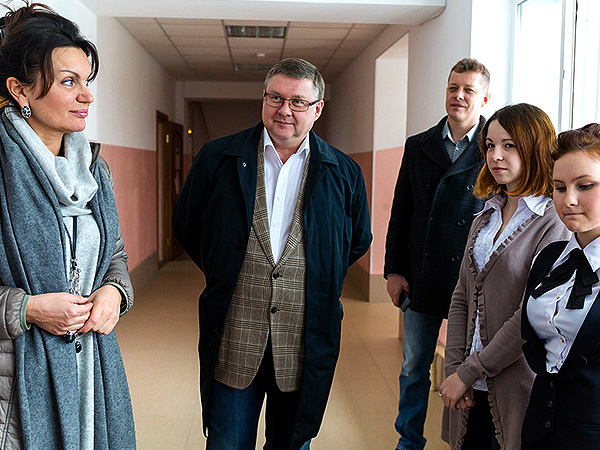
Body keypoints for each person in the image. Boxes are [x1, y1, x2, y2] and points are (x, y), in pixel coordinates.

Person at [172, 58, 371, 450]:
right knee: (228, 443)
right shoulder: (218, 158)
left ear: (317, 109)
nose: (284, 110)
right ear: (263, 99)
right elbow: (187, 225)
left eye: (298, 102)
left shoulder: (343, 172)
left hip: (303, 339)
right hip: (236, 335)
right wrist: (226, 268)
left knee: (291, 443)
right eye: (275, 98)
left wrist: (311, 273)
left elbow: (356, 241)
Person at [0, 3, 136, 449]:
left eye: (87, 81)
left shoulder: (94, 170)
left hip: (89, 370)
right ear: (20, 90)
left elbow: (114, 254)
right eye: (68, 82)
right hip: (14, 383)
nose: (87, 96)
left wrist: (115, 292)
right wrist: (27, 309)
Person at [439, 104, 569, 450]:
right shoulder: (486, 215)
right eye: (490, 145)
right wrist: (454, 368)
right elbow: (462, 296)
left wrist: (469, 371)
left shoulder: (553, 222)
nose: (495, 155)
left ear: (535, 147)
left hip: (516, 386)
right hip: (468, 384)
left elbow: (531, 315)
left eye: (509, 145)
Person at [384, 58, 490, 450]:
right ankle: (409, 441)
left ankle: (464, 440)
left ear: (484, 98)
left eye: (468, 90)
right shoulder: (419, 145)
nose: (458, 96)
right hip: (422, 273)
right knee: (414, 366)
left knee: (467, 368)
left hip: (472, 276)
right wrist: (394, 270)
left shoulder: (494, 148)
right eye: (452, 88)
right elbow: (401, 210)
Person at [521, 123, 600, 450]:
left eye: (585, 186)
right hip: (540, 429)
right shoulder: (549, 257)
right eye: (559, 187)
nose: (569, 200)